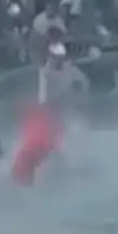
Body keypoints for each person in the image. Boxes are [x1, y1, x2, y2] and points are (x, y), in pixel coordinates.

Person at [12, 42, 88, 186]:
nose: (57, 60)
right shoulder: (46, 71)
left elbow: (79, 85)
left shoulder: (70, 71)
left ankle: (63, 169)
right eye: (54, 57)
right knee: (46, 145)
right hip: (50, 111)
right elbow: (45, 92)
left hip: (61, 112)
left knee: (59, 145)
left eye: (59, 57)